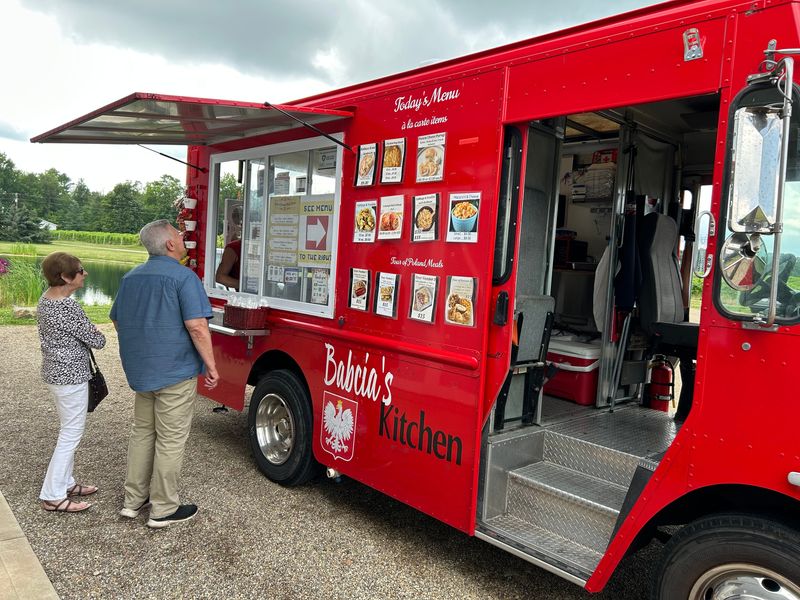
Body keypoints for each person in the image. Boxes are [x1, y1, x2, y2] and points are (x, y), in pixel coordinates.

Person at [111, 219, 219, 528]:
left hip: (142, 371)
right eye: (178, 234)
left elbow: (119, 322)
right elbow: (197, 327)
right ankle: (163, 509)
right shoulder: (185, 278)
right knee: (170, 439)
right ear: (170, 244)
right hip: (175, 372)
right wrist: (211, 366)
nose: (183, 237)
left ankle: (133, 501)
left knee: (142, 432)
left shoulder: (130, 277)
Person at [37, 252, 106, 513]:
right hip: (71, 376)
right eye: (80, 270)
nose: (84, 273)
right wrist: (95, 332)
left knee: (68, 429)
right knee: (70, 434)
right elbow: (98, 341)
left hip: (56, 373)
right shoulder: (67, 307)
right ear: (65, 277)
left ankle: (66, 482)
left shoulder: (46, 300)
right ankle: (53, 495)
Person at [215, 204, 243, 290]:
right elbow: (220, 277)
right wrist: (244, 286)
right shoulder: (233, 248)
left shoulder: (267, 249)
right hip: (244, 298)